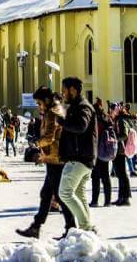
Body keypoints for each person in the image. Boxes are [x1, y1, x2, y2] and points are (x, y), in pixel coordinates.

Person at [17, 86, 75, 239]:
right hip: (55, 157)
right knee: (47, 194)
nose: (38, 106)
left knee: (58, 195)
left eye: (39, 103)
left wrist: (36, 144)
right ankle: (36, 226)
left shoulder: (51, 113)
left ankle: (71, 228)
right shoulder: (58, 109)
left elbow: (49, 137)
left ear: (46, 100)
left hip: (55, 159)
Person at [57, 77, 97, 233]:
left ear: (73, 90)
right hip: (82, 157)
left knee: (65, 193)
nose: (63, 93)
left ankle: (86, 227)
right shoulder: (76, 106)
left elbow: (81, 126)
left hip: (80, 157)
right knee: (79, 193)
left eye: (64, 90)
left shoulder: (83, 107)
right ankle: (88, 228)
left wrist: (62, 121)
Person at [90, 99, 113, 207]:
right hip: (105, 151)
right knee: (105, 176)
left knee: (95, 177)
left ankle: (95, 200)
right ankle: (107, 201)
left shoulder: (94, 120)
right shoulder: (107, 119)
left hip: (96, 151)